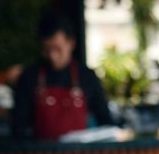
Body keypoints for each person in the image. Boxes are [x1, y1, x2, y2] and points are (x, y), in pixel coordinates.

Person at [10, 12, 113, 140]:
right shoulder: (29, 77)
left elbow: (106, 122)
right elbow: (18, 127)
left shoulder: (87, 76)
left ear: (71, 43)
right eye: (47, 49)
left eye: (57, 49)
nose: (52, 56)